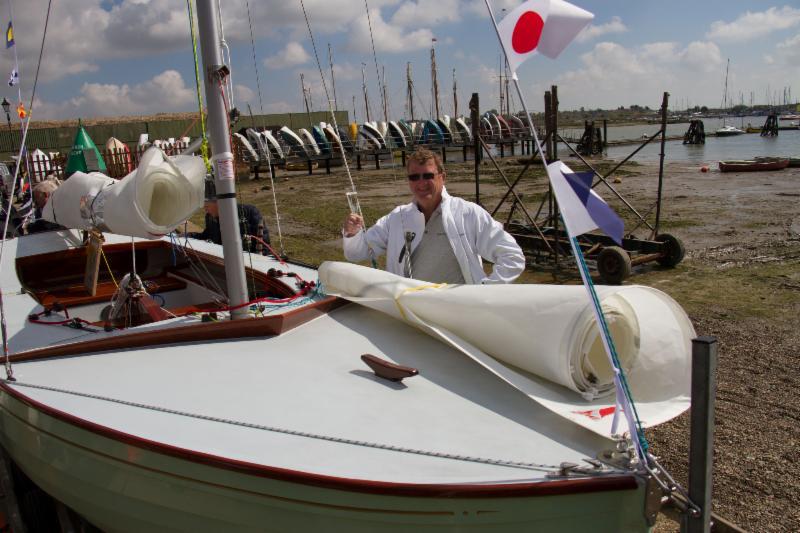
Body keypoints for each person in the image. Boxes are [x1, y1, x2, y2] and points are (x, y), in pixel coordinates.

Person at [342, 148, 525, 284]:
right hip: (409, 311)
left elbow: (512, 256)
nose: (421, 183)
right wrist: (351, 233)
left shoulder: (468, 213)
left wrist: (486, 291)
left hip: (458, 312)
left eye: (427, 175)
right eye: (414, 177)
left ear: (442, 177)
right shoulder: (396, 218)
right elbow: (357, 253)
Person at [188, 194, 271, 253]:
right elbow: (206, 235)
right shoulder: (210, 218)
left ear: (218, 203)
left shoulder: (250, 212)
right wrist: (188, 235)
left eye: (206, 207)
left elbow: (264, 244)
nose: (205, 210)